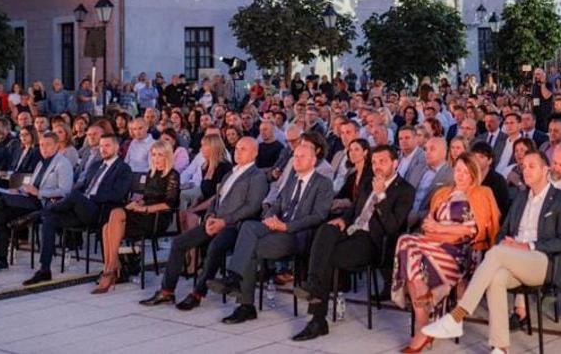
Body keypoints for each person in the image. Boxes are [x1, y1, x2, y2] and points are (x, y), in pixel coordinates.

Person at [423, 151, 561, 353]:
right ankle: (501, 347)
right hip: (513, 259)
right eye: (524, 166)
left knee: (496, 254)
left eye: (532, 166)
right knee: (496, 277)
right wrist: (506, 242)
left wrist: (527, 246)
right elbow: (501, 232)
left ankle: (457, 316)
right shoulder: (521, 198)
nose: (526, 170)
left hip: (544, 261)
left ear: (545, 169)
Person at [291, 144, 414, 343]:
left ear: (395, 163)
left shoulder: (405, 190)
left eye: (382, 161)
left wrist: (381, 195)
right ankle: (314, 288)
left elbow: (392, 227)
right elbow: (355, 210)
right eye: (374, 162)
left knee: (327, 257)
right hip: (351, 231)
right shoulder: (367, 183)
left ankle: (317, 318)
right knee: (326, 229)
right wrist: (344, 220)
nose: (377, 166)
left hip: (372, 242)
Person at [208, 140, 335, 324]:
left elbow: (318, 216)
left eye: (302, 157)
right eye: (295, 156)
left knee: (249, 248)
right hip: (277, 226)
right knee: (248, 227)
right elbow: (277, 203)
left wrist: (287, 227)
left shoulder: (323, 183)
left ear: (313, 161)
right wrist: (269, 216)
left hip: (297, 234)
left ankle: (244, 301)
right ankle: (236, 281)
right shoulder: (291, 179)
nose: (297, 160)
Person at [140, 137, 267, 309]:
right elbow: (217, 199)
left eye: (243, 149)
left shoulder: (257, 176)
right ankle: (166, 291)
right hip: (214, 221)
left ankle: (198, 293)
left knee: (215, 246)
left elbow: (252, 207)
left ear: (255, 153)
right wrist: (210, 216)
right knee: (179, 243)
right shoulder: (230, 173)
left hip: (236, 226)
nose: (238, 152)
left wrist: (224, 221)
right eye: (237, 148)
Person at [393, 152, 500, 353]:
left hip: (460, 252)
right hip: (433, 245)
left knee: (408, 244)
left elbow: (474, 229)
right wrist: (432, 227)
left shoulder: (481, 192)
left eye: (465, 171)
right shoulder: (443, 193)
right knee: (407, 244)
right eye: (457, 169)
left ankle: (422, 328)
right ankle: (424, 321)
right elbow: (427, 223)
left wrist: (441, 229)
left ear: (473, 173)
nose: (460, 175)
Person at [23, 133, 133, 285]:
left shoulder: (124, 169)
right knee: (50, 219)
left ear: (117, 147)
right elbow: (82, 186)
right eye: (101, 146)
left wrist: (87, 198)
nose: (103, 149)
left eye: (107, 146)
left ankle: (37, 213)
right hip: (81, 210)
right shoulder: (95, 166)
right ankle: (44, 269)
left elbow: (118, 195)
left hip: (101, 212)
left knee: (74, 196)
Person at [0, 132, 75, 273]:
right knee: (2, 215)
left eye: (48, 145)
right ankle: (2, 260)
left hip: (45, 204)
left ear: (57, 146)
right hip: (31, 199)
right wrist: (21, 190)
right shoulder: (41, 163)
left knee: (3, 199)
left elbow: (65, 191)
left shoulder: (63, 163)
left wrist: (39, 193)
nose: (44, 148)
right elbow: (34, 185)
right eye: (41, 145)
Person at [92, 139, 180, 292]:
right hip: (143, 213)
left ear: (168, 156)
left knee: (116, 213)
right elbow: (147, 197)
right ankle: (111, 266)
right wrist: (138, 203)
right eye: (153, 155)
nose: (156, 158)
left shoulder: (173, 174)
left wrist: (144, 209)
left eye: (160, 155)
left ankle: (111, 269)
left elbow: (169, 204)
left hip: (157, 217)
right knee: (107, 224)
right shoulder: (151, 173)